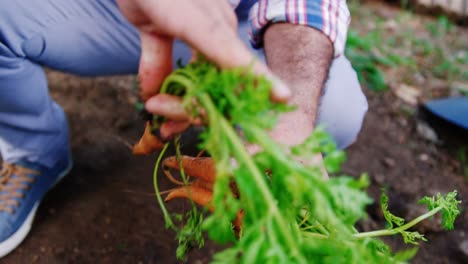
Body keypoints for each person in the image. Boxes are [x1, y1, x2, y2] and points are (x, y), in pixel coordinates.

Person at [0, 0, 368, 258]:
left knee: (332, 112)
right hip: (105, 12)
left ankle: (240, 154)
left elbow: (305, 5)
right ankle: (34, 153)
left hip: (242, 23)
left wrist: (292, 115)